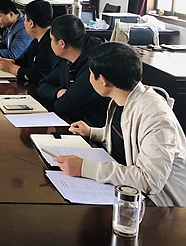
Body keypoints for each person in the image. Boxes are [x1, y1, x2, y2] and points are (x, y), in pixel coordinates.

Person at [55, 42, 186, 207]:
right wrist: (92, 132)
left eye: (90, 73)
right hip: (129, 194)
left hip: (162, 207)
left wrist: (85, 168)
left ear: (103, 80)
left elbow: (149, 181)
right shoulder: (122, 98)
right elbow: (127, 135)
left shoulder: (156, 118)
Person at [37, 14, 109, 127]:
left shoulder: (95, 63)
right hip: (74, 124)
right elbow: (42, 84)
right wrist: (58, 92)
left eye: (51, 39)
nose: (50, 43)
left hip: (94, 129)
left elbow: (63, 107)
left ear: (62, 43)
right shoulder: (66, 58)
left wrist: (65, 97)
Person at [0, 0, 55, 84]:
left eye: (25, 20)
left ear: (31, 23)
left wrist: (10, 68)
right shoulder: (37, 40)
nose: (23, 23)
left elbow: (37, 76)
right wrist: (3, 61)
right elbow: (25, 61)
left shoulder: (50, 44)